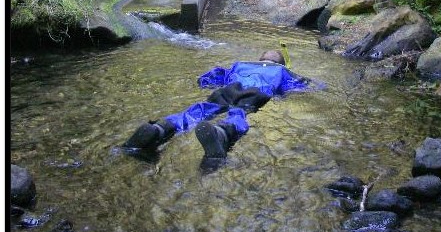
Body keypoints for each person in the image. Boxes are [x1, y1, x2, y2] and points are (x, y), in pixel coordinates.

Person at [122, 50, 316, 165]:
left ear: (259, 57)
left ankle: (161, 128)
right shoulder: (282, 71)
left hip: (227, 90)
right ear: (279, 62)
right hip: (255, 93)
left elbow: (211, 76)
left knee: (199, 109)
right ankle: (222, 133)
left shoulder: (239, 64)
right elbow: (302, 86)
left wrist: (204, 82)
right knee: (238, 114)